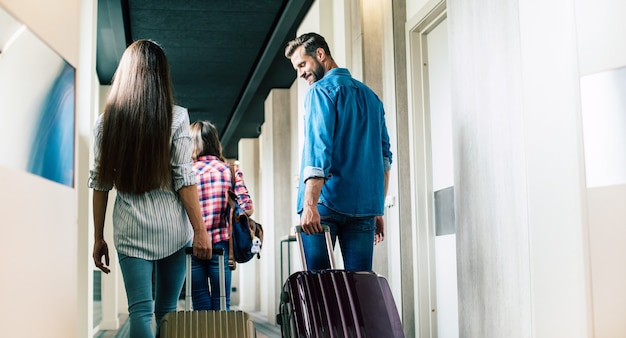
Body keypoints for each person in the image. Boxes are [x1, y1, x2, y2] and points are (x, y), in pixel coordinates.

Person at [89, 39, 212, 338]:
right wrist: (200, 230)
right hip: (172, 227)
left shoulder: (106, 124)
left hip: (130, 229)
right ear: (161, 75)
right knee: (168, 311)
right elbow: (184, 178)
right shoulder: (177, 117)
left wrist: (98, 237)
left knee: (140, 311)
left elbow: (100, 184)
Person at [284, 32, 392, 271]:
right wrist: (377, 207)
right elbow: (384, 159)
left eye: (302, 64)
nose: (300, 73)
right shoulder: (371, 98)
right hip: (364, 207)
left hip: (324, 204)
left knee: (320, 288)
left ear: (320, 54)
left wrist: (310, 205)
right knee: (360, 286)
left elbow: (318, 150)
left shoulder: (319, 91)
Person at [189, 120, 254, 310]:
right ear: (215, 142)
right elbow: (248, 208)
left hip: (193, 245)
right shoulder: (230, 171)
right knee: (221, 303)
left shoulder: (186, 173)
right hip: (222, 247)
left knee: (199, 301)